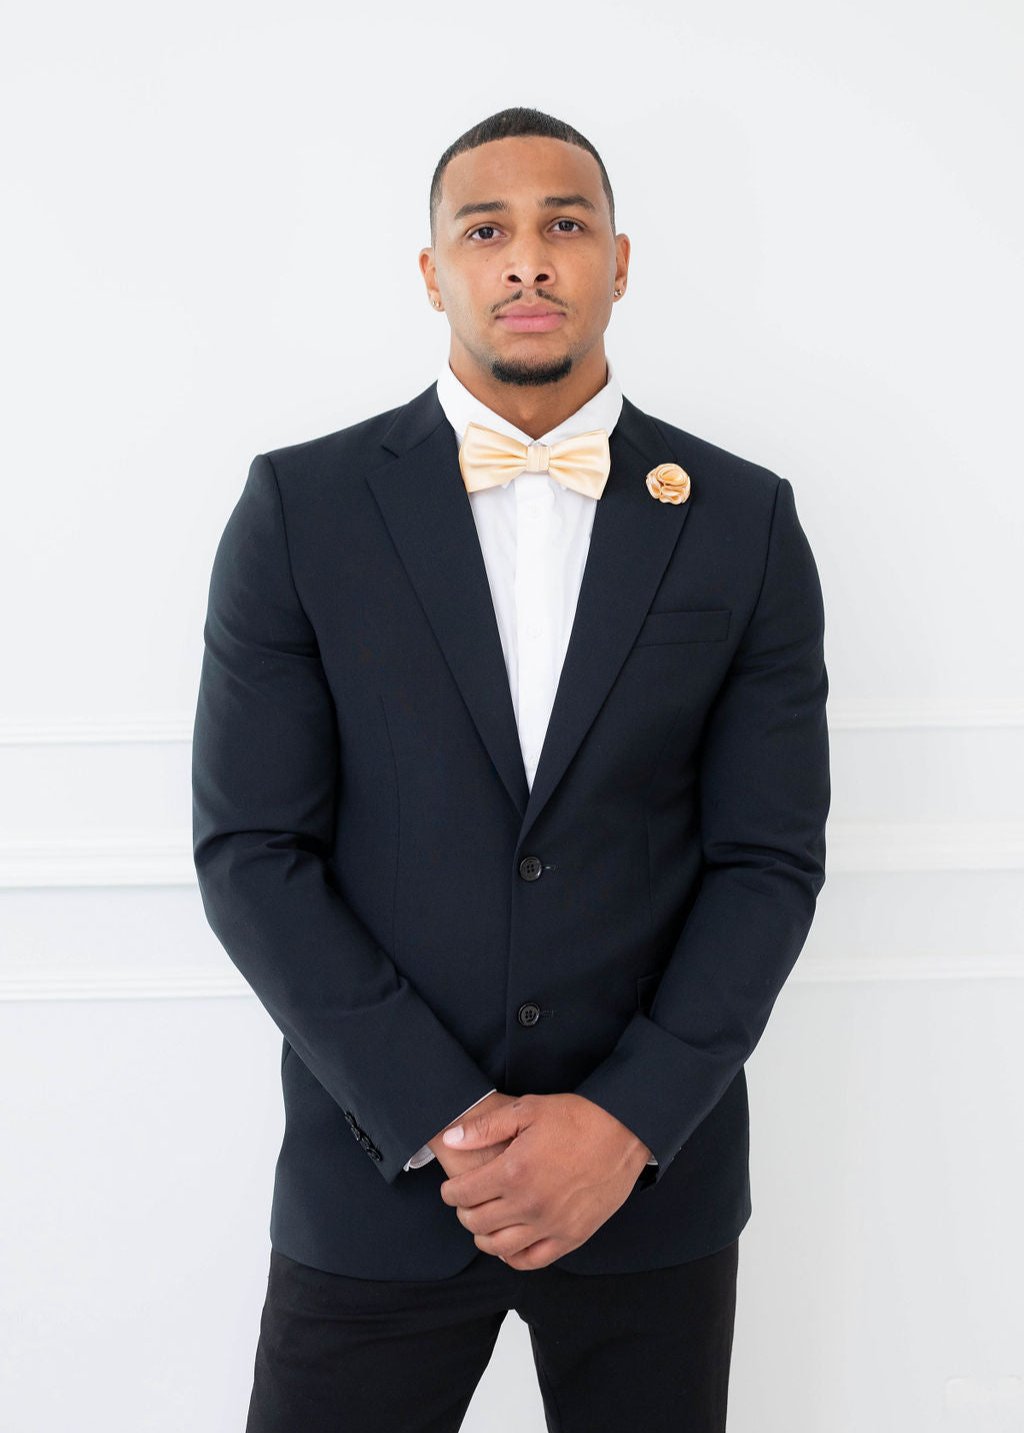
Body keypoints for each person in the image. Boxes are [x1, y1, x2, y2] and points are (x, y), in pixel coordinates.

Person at [192, 104, 830, 1433]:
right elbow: (253, 851)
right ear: (434, 272)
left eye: (565, 225)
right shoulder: (301, 509)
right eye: (486, 231)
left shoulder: (745, 519)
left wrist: (624, 1122)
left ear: (620, 262)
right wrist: (449, 1118)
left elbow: (766, 859)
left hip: (646, 1189)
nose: (528, 259)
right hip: (378, 1181)